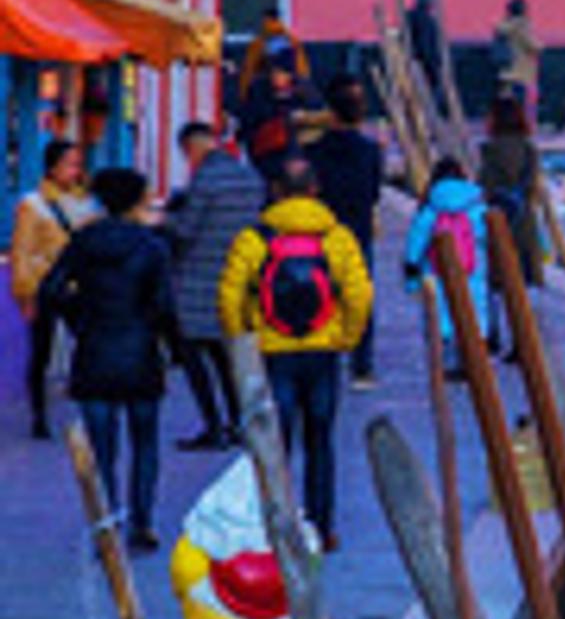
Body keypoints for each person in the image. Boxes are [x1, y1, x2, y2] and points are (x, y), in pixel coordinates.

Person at [220, 159, 370, 550]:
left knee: (274, 442)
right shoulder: (336, 238)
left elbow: (230, 295)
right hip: (322, 352)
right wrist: (346, 339)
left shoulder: (254, 239)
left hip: (273, 352)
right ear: (315, 189)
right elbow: (359, 295)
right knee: (320, 440)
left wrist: (242, 341)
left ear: (275, 191)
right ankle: (320, 525)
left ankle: (274, 523)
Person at [40, 169, 178, 549]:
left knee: (102, 447)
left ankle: (107, 521)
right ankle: (142, 520)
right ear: (137, 200)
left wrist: (80, 317)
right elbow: (165, 306)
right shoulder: (151, 246)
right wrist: (167, 342)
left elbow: (50, 289)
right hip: (140, 352)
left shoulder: (83, 242)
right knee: (144, 441)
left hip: (94, 349)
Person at [165, 122, 263, 448]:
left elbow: (185, 232)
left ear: (191, 147)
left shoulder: (204, 181)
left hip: (197, 283)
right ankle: (240, 421)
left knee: (196, 360)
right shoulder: (249, 177)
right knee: (228, 359)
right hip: (237, 279)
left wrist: (166, 219)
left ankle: (213, 425)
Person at [303, 79, 390, 386]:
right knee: (359, 295)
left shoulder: (312, 151)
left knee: (320, 293)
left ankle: (321, 352)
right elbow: (374, 193)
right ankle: (361, 364)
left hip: (320, 230)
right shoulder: (370, 151)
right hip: (357, 229)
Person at [13, 140, 99, 441]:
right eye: (69, 164)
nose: (75, 171)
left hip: (77, 287)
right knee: (42, 352)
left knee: (88, 343)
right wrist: (24, 294)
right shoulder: (32, 204)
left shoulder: (85, 203)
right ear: (52, 167)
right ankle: (39, 416)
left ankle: (87, 400)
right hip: (44, 285)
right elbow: (21, 251)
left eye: (78, 164)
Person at [402, 158, 500, 365]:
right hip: (473, 268)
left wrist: (411, 270)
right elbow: (488, 236)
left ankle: (448, 361)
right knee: (475, 308)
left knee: (442, 313)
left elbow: (416, 241)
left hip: (437, 269)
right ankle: (475, 359)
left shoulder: (431, 206)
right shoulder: (477, 203)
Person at [478, 92, 542, 275]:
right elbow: (532, 188)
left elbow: (485, 188)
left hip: (498, 225)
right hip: (524, 226)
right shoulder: (529, 151)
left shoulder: (491, 152)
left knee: (502, 284)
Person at [494, 0, 540, 112]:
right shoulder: (521, 26)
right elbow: (532, 45)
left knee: (505, 102)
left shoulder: (503, 27)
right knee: (527, 103)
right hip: (522, 72)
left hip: (505, 70)